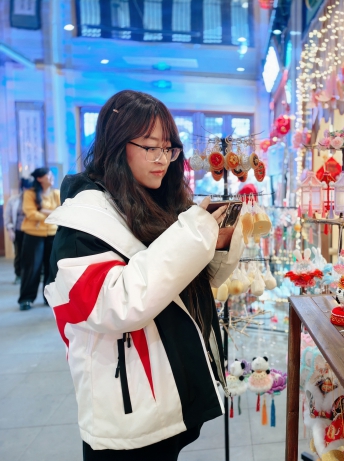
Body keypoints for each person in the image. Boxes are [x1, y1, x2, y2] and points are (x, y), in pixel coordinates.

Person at [44, 90, 244, 461]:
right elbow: (117, 306)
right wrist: (192, 236)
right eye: (150, 147)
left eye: (168, 148)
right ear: (116, 144)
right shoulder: (84, 219)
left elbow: (182, 287)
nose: (162, 159)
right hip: (126, 407)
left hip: (167, 395)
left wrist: (216, 244)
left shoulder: (155, 201)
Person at [18, 169, 60, 310]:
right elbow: (31, 214)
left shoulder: (56, 193)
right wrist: (53, 214)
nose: (52, 177)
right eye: (49, 175)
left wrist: (43, 211)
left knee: (51, 268)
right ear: (40, 178)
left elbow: (62, 211)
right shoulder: (29, 194)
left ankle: (49, 298)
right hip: (33, 235)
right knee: (32, 268)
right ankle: (26, 299)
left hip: (52, 234)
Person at [3, 178, 32, 284]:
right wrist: (10, 230)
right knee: (19, 253)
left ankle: (33, 276)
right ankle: (18, 275)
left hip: (32, 231)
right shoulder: (13, 200)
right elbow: (7, 216)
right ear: (23, 188)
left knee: (33, 254)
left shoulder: (35, 198)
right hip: (19, 231)